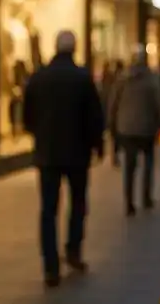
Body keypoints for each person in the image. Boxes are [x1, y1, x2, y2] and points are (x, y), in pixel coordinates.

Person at [23, 30, 104, 287]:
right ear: (75, 48)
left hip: (47, 153)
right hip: (77, 153)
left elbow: (27, 116)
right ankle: (73, 250)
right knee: (78, 203)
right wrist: (97, 145)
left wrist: (38, 135)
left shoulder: (39, 77)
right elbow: (94, 117)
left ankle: (50, 266)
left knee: (48, 209)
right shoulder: (82, 78)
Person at [108, 49, 160, 216]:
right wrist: (158, 123)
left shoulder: (122, 79)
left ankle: (129, 202)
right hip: (146, 128)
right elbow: (157, 104)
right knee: (148, 164)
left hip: (126, 128)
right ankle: (146, 197)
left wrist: (113, 126)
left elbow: (113, 104)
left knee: (130, 167)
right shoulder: (151, 79)